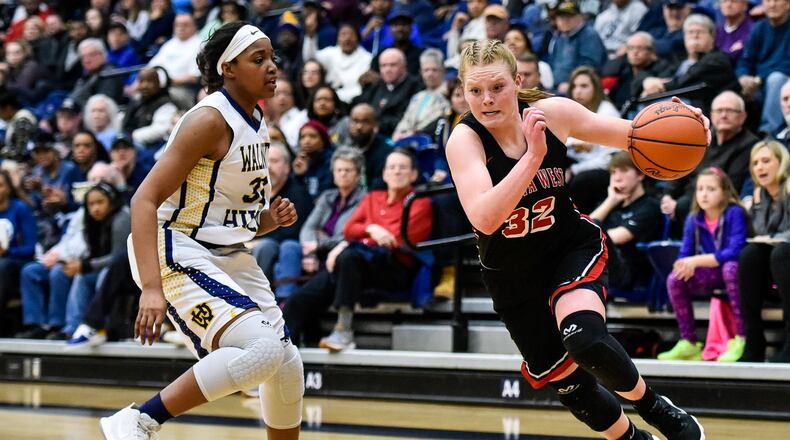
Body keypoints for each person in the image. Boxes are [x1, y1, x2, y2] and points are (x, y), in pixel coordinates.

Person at [446, 39, 707, 440]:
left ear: (518, 81)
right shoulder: (464, 141)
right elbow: (485, 217)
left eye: (497, 86)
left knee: (584, 338)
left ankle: (654, 405)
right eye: (475, 91)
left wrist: (688, 126)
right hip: (513, 276)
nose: (487, 99)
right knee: (570, 387)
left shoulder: (552, 113)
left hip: (568, 247)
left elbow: (637, 136)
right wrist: (533, 157)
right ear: (463, 92)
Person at [99, 22, 303, 440]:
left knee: (286, 359)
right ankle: (137, 420)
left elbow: (228, 215)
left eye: (272, 58)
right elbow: (144, 199)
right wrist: (152, 289)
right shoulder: (209, 119)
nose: (271, 67)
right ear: (228, 68)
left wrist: (269, 219)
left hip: (224, 250)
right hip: (173, 245)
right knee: (261, 350)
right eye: (258, 59)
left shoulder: (256, 119)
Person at [658, 168, 748, 362]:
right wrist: (682, 264)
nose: (704, 194)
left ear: (724, 192)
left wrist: (695, 261)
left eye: (711, 189)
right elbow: (685, 254)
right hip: (712, 273)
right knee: (675, 279)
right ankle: (688, 343)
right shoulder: (693, 218)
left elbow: (736, 251)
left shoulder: (735, 212)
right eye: (700, 189)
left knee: (730, 268)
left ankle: (741, 338)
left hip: (738, 273)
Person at [738, 140, 790, 363]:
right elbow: (762, 231)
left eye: (766, 161)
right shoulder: (760, 195)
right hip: (779, 264)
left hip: (784, 259)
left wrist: (773, 240)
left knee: (782, 254)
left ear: (782, 163)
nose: (760, 167)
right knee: (750, 255)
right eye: (756, 163)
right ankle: (754, 339)